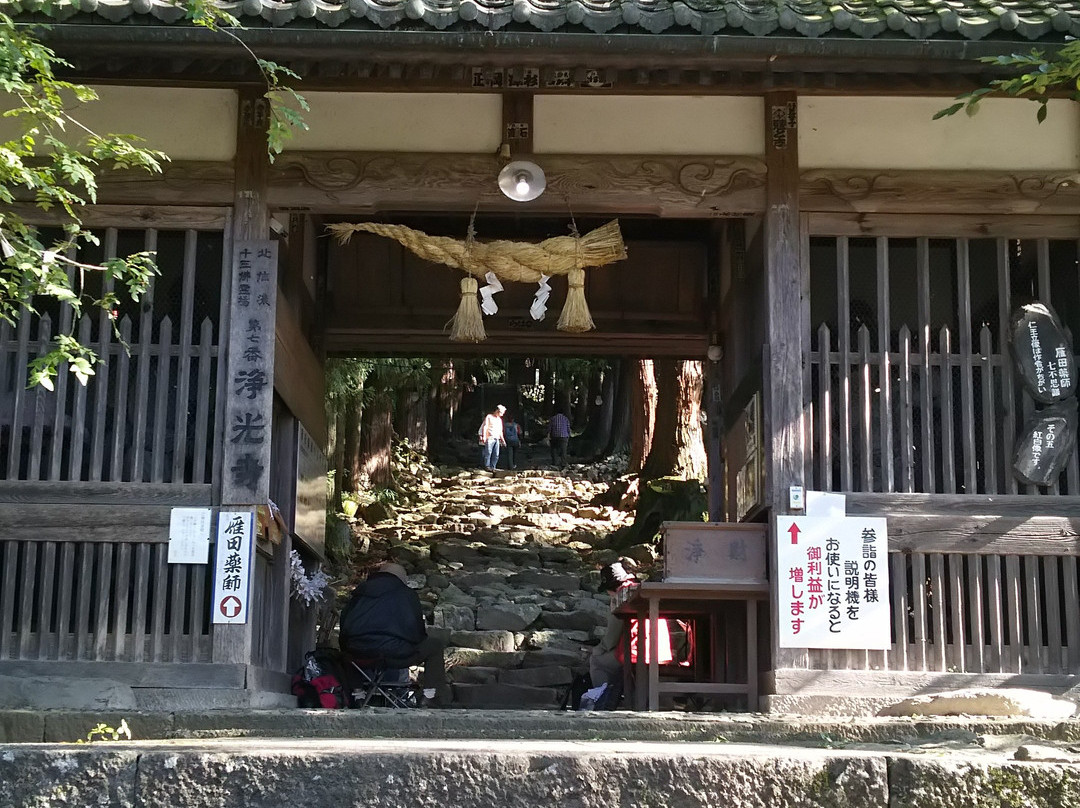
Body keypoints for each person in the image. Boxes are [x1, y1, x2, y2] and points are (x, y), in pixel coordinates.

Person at [339, 561, 451, 707]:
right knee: (434, 645)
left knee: (347, 648)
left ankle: (357, 694)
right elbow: (417, 631)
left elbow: (345, 628)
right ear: (401, 578)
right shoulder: (406, 594)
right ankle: (429, 697)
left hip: (360, 654)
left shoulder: (358, 594)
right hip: (395, 653)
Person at [590, 561, 674, 701]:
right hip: (661, 652)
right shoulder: (643, 591)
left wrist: (598, 649)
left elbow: (610, 640)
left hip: (635, 653)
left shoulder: (621, 597)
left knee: (597, 662)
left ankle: (601, 700)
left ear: (611, 588)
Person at [478, 404, 506, 472]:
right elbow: (485, 426)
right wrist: (484, 436)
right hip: (490, 437)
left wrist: (503, 440)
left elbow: (500, 431)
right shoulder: (489, 417)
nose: (502, 414)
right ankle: (487, 466)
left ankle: (493, 467)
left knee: (496, 454)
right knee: (488, 453)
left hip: (497, 438)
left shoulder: (499, 420)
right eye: (501, 413)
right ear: (497, 411)